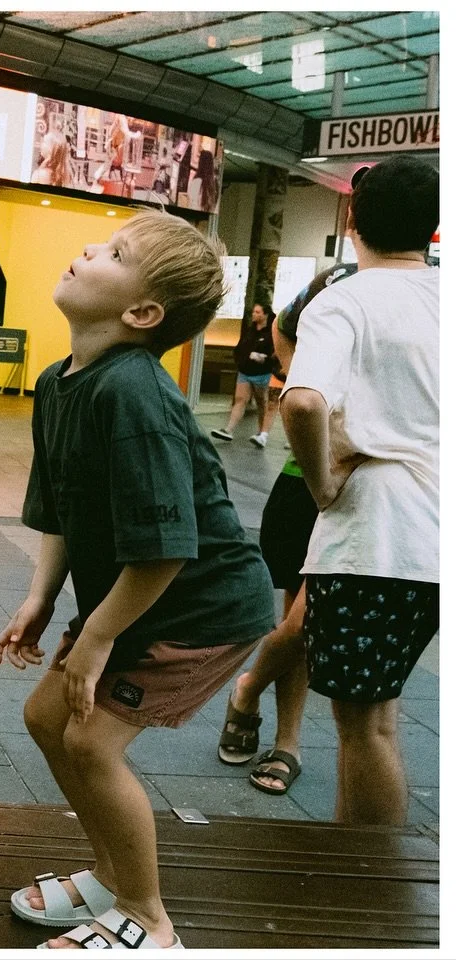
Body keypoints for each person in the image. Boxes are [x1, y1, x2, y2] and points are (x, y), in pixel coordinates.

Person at [0, 211, 273, 949]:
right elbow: (58, 507)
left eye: (115, 253)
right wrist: (39, 597)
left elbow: (165, 549)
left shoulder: (136, 393)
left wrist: (95, 637)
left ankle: (149, 921)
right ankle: (112, 876)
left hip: (201, 609)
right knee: (43, 718)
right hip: (135, 604)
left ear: (142, 313)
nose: (89, 249)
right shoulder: (59, 383)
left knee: (90, 743)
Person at [280, 157, 438, 827]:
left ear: (351, 219)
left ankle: (364, 885)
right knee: (382, 719)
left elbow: (304, 402)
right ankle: (372, 877)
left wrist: (320, 484)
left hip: (374, 542)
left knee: (362, 728)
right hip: (433, 538)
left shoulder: (346, 298)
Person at [216, 263, 358, 795]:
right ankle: (280, 732)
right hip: (308, 484)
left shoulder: (427, 294)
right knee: (297, 624)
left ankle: (253, 695)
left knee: (305, 625)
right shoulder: (338, 279)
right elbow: (282, 324)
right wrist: (305, 377)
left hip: (373, 492)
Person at [210, 301, 278, 447]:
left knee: (262, 403)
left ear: (265, 314)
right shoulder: (250, 330)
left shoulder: (271, 333)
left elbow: (274, 353)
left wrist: (263, 358)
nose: (254, 314)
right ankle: (228, 429)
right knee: (240, 399)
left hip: (262, 373)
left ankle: (262, 433)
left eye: (258, 312)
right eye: (254, 312)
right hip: (245, 371)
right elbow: (241, 347)